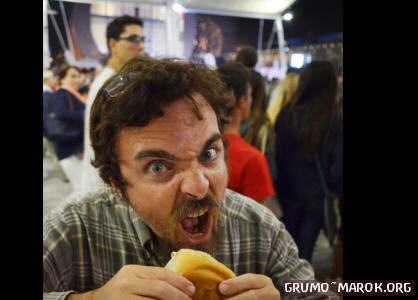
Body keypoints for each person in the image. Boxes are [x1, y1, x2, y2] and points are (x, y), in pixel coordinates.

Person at [43, 56, 328, 300]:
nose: (199, 185)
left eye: (209, 154)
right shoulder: (74, 230)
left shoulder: (261, 230)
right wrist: (89, 298)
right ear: (117, 184)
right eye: (158, 167)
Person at [274, 61, 343, 262]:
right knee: (303, 256)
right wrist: (328, 190)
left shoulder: (286, 113)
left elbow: (278, 158)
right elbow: (338, 169)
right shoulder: (334, 119)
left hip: (286, 195)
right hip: (316, 199)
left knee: (283, 253)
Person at [82, 15, 144, 194]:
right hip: (107, 185)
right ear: (113, 44)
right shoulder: (111, 85)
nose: (140, 45)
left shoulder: (117, 80)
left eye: (142, 39)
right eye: (133, 39)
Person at [216, 62, 275, 206]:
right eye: (249, 95)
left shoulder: (198, 151)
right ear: (242, 101)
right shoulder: (252, 159)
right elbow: (260, 222)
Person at [51, 64, 85, 191]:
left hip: (76, 146)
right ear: (62, 79)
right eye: (72, 76)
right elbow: (61, 113)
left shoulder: (73, 94)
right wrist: (86, 114)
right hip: (70, 147)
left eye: (77, 76)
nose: (77, 79)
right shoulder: (62, 93)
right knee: (81, 189)